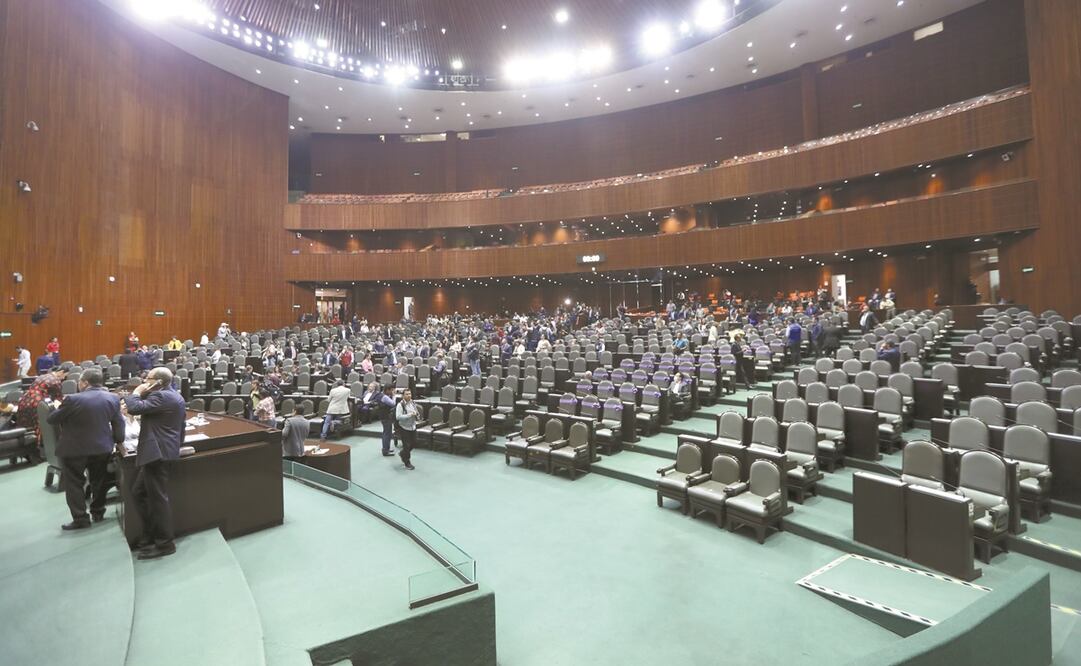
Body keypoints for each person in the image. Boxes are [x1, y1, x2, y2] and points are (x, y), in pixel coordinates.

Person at [45, 368, 125, 530]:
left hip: (74, 450)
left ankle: (81, 518)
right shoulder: (112, 398)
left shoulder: (72, 399)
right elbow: (119, 423)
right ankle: (98, 512)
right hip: (102, 448)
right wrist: (118, 440)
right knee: (98, 481)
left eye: (79, 382)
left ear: (84, 383)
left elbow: (52, 420)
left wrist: (56, 407)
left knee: (74, 483)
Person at [123, 367, 185, 560]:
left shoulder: (162, 396)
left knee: (158, 499)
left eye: (147, 379)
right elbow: (181, 428)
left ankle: (165, 543)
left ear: (158, 382)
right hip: (161, 451)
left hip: (157, 453)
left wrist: (136, 392)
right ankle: (149, 533)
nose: (144, 381)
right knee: (139, 491)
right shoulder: (174, 396)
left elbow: (134, 407)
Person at [16, 368, 67, 439]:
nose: (64, 378)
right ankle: (38, 445)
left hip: (25, 399)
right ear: (61, 372)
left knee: (26, 425)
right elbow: (59, 397)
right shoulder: (55, 380)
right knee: (39, 425)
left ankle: (24, 442)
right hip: (37, 402)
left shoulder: (42, 376)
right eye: (64, 376)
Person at [395, 389, 419, 470]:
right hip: (404, 428)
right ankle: (407, 462)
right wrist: (409, 415)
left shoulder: (413, 403)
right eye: (407, 394)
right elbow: (398, 417)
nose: (409, 395)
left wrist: (416, 415)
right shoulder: (400, 405)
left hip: (413, 427)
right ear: (403, 396)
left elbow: (416, 412)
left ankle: (402, 453)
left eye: (410, 394)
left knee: (414, 443)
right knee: (406, 446)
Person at [378, 386, 397, 457]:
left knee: (387, 433)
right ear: (387, 390)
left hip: (384, 417)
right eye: (391, 390)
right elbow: (393, 403)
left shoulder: (382, 395)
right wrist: (394, 396)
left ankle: (386, 449)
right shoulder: (384, 397)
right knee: (387, 434)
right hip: (386, 417)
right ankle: (385, 450)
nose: (392, 392)